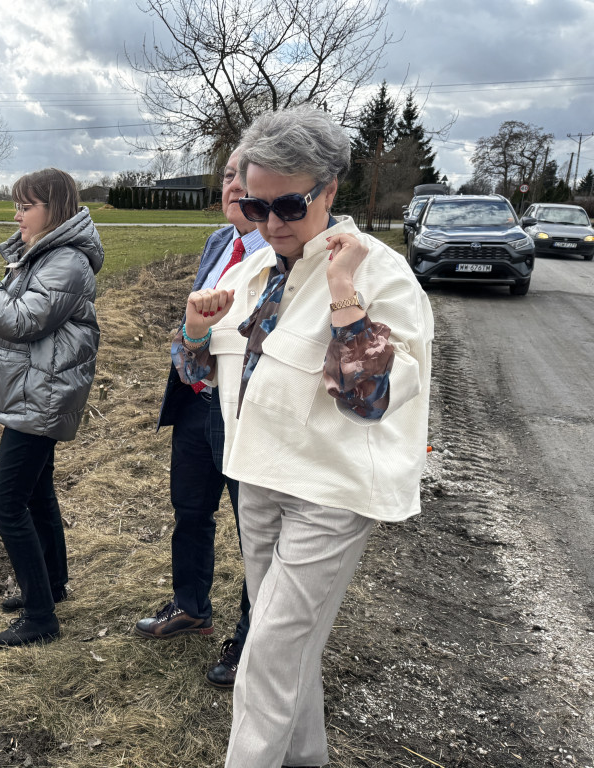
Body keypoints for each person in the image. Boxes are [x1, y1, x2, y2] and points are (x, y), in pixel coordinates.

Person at [173, 106, 433, 767]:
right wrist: (196, 331)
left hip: (329, 492)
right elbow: (197, 373)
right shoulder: (253, 269)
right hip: (258, 478)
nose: (271, 224)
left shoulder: (379, 273)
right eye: (255, 207)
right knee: (290, 648)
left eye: (288, 205)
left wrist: (344, 292)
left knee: (268, 653)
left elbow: (369, 397)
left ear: (329, 189)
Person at [0, 168, 103, 648]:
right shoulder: (39, 257)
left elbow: (20, 320)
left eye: (25, 206)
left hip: (42, 396)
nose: (16, 215)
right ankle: (51, 586)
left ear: (54, 208)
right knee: (36, 494)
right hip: (36, 391)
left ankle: (40, 618)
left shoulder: (66, 262)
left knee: (6, 503)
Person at [136, 147, 268, 689]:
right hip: (198, 398)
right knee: (190, 510)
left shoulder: (282, 252)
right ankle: (191, 607)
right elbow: (196, 321)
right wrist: (188, 346)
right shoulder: (219, 241)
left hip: (247, 409)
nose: (234, 185)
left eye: (246, 176)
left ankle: (253, 639)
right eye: (229, 175)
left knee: (256, 530)